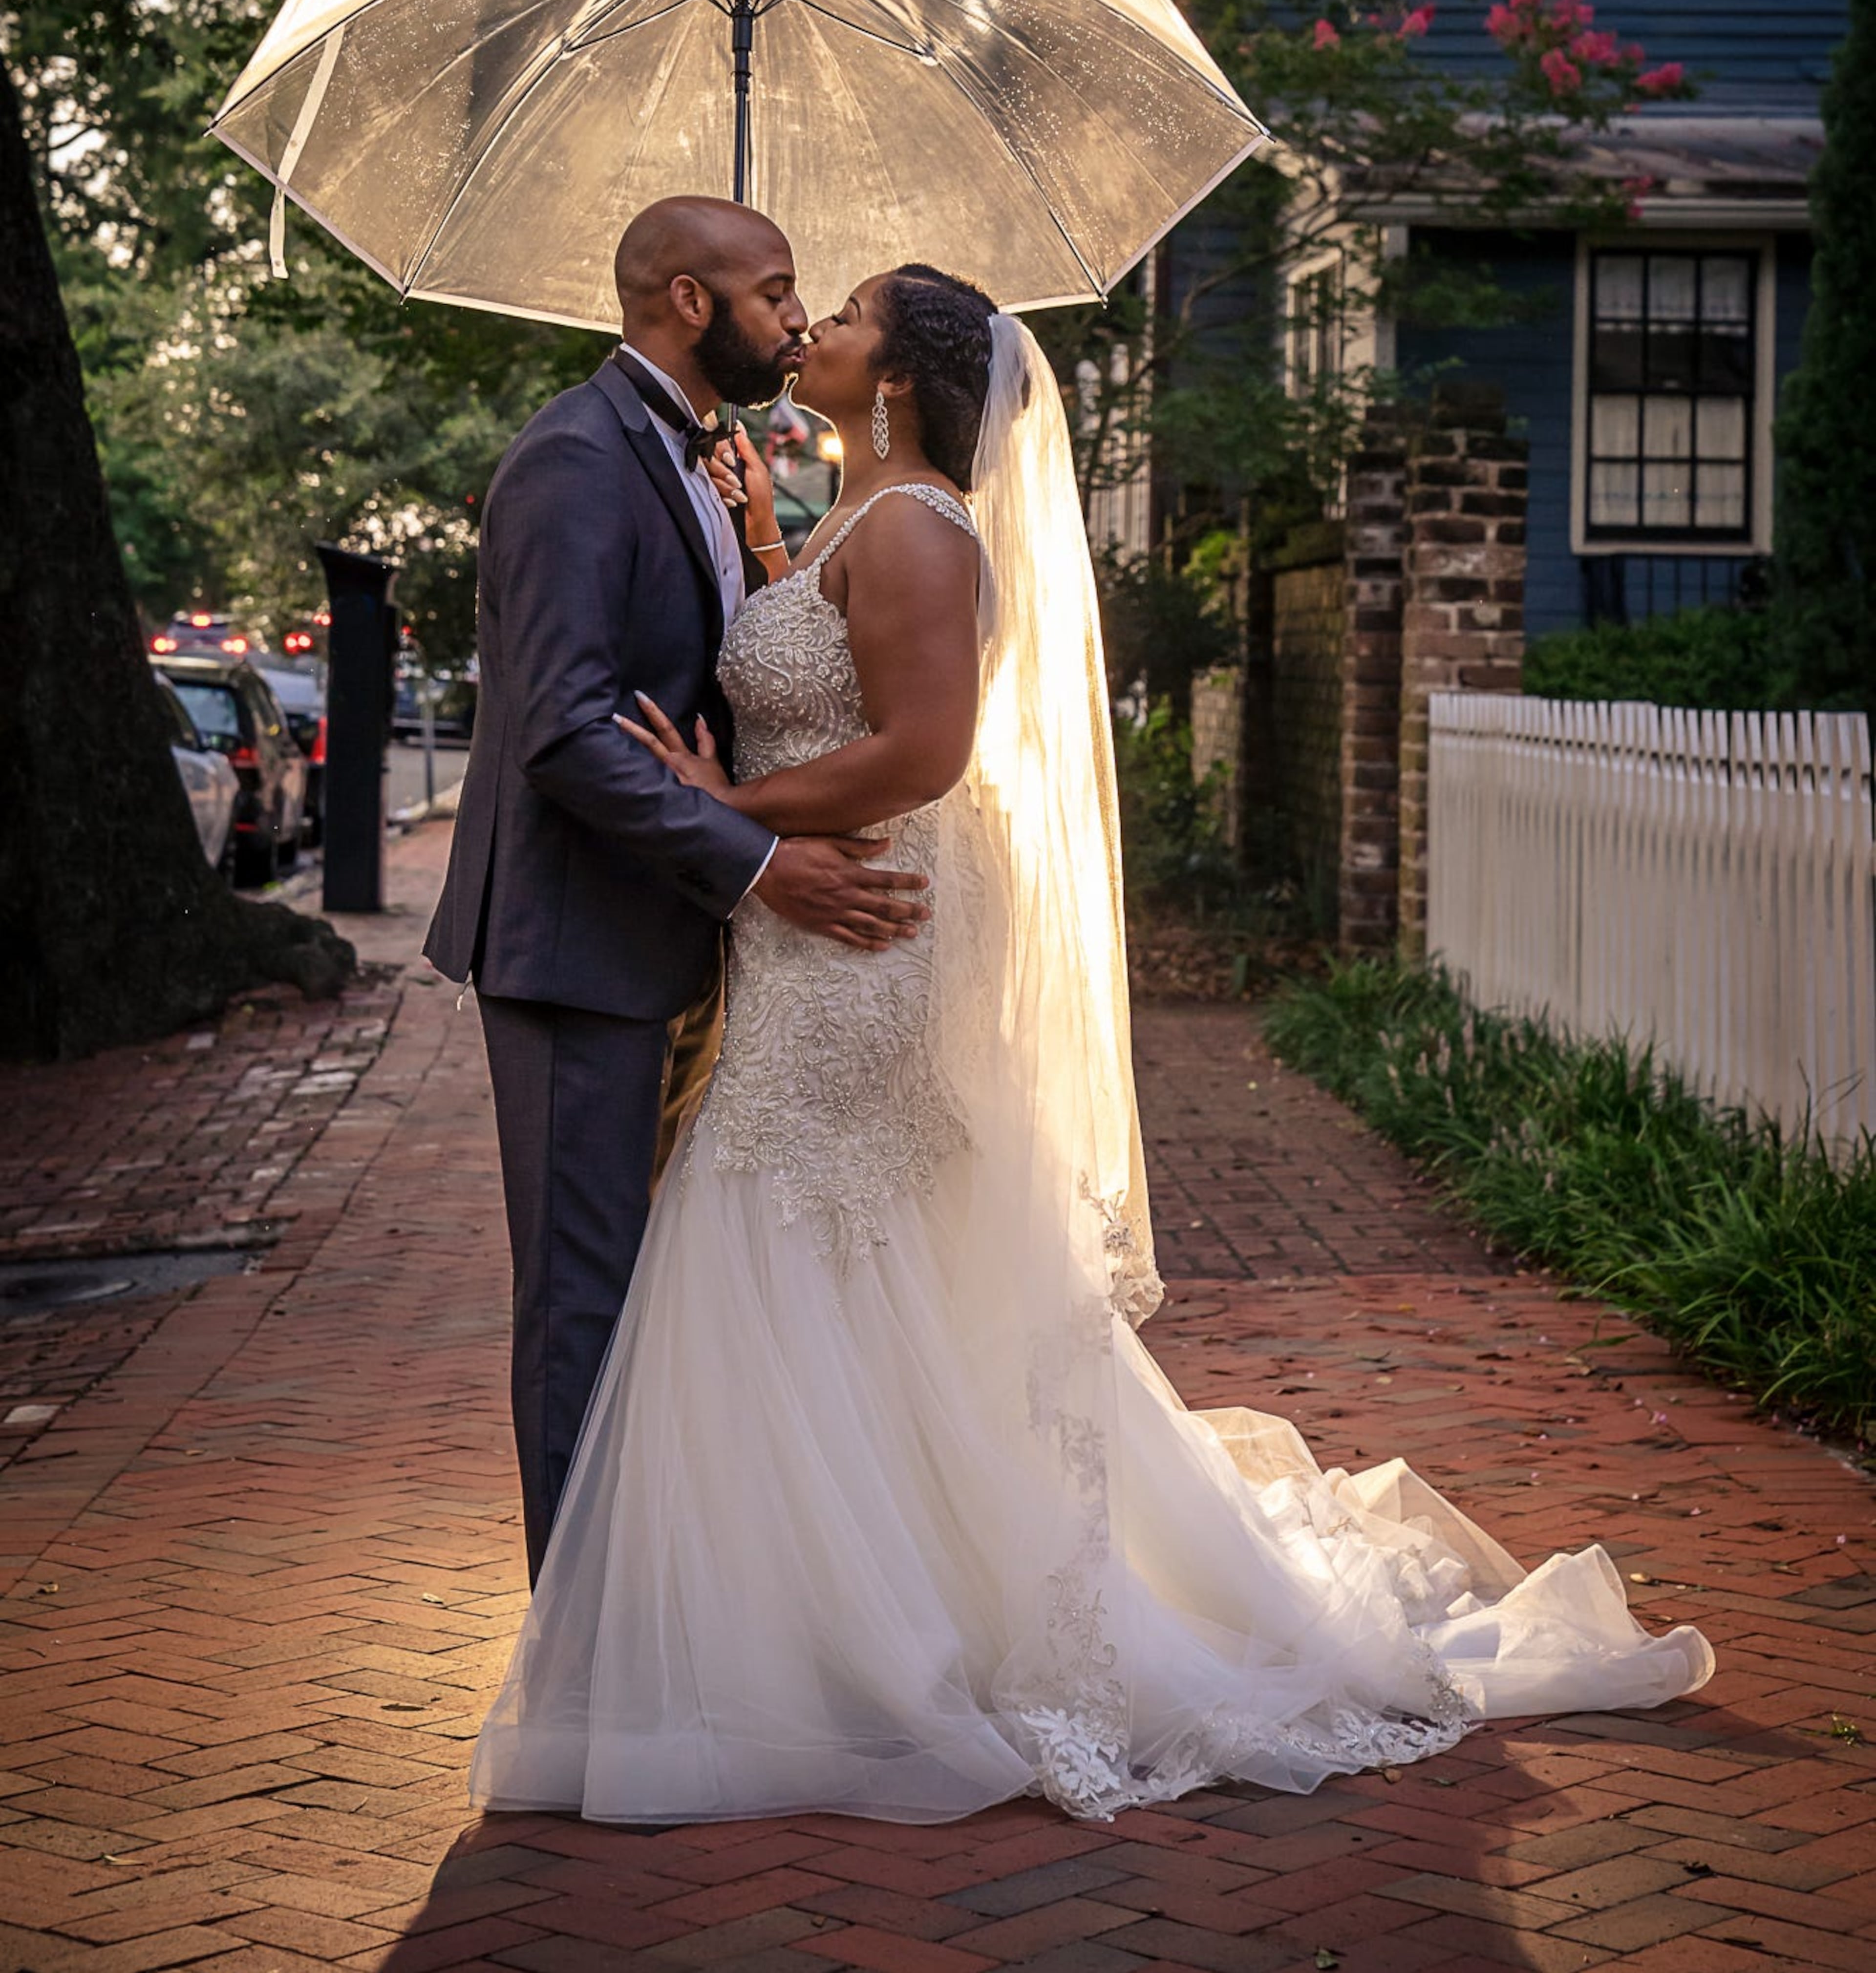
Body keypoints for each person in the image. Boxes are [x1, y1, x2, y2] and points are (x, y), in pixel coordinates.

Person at [470, 264, 1714, 1823]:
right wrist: (773, 539)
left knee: (798, 1233)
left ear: (904, 380)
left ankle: (841, 1633)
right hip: (807, 938)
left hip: (849, 939)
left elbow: (921, 749)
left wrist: (734, 811)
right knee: (849, 1258)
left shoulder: (920, 529)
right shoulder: (862, 515)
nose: (814, 330)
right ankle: (842, 1605)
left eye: (839, 311)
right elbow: (828, 658)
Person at [424, 199, 929, 1582]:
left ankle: (661, 1611)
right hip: (576, 947)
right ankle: (577, 1651)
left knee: (663, 1301)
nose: (795, 313)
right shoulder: (575, 460)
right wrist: (762, 861)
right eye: (775, 291)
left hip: (679, 943)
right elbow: (567, 731)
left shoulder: (699, 458)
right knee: (583, 1301)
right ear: (690, 302)